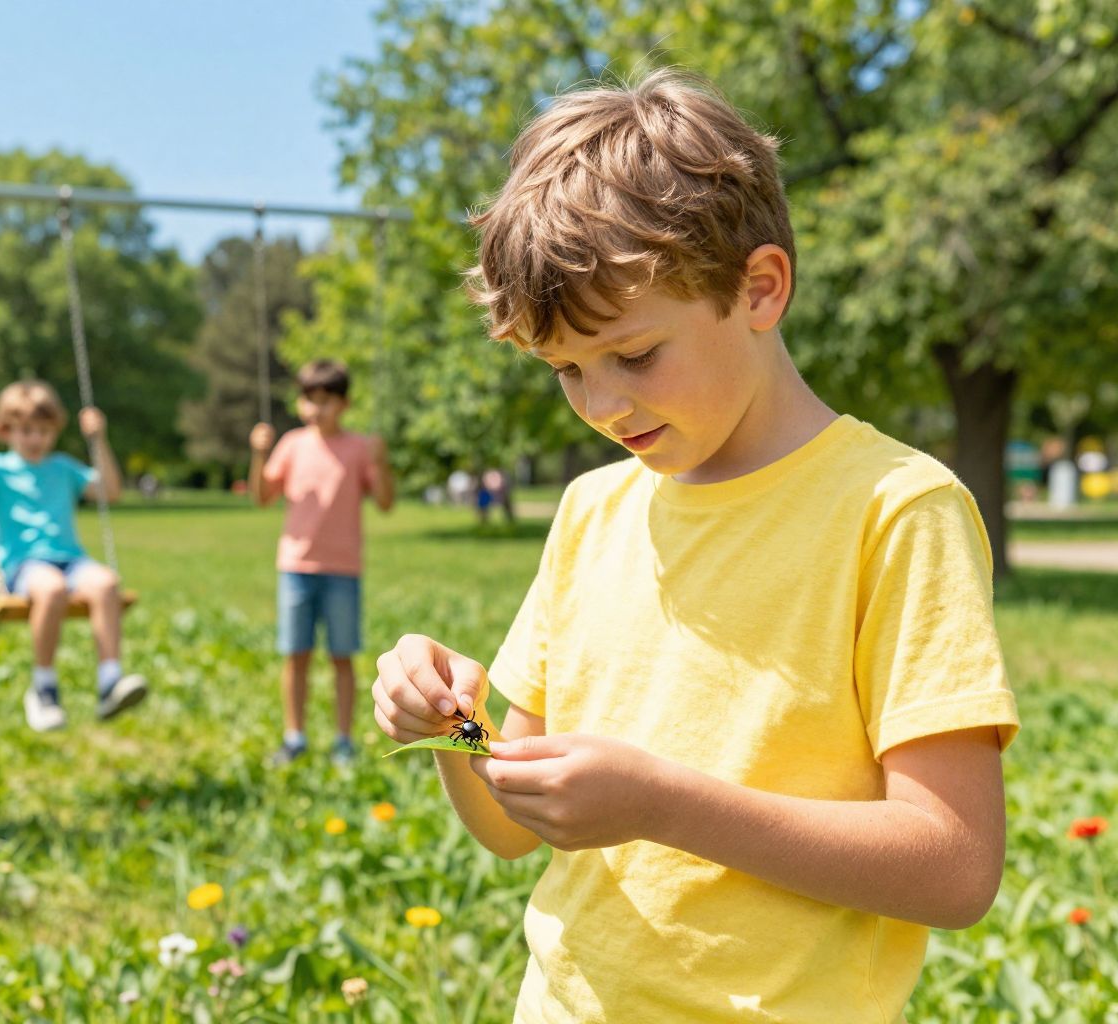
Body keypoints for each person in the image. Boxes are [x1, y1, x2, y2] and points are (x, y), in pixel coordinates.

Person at [372, 70, 1019, 1022]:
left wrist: (667, 806)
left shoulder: (895, 510)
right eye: (566, 371)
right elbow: (516, 827)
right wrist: (453, 730)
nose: (602, 406)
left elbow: (955, 865)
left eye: (634, 355)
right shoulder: (593, 510)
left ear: (759, 288)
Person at [0, 381, 146, 731]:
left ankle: (110, 681)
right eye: (27, 430)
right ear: (5, 430)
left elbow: (110, 491)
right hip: (24, 566)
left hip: (71, 559)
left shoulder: (63, 468)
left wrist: (99, 440)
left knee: (107, 583)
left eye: (45, 431)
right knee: (51, 588)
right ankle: (43, 688)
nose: (36, 440)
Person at [249, 359, 395, 766]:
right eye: (308, 400)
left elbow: (384, 503)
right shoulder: (292, 444)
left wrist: (381, 463)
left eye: (325, 401)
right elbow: (262, 497)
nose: (316, 409)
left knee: (341, 656)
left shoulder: (360, 448)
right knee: (296, 654)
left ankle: (343, 740)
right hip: (296, 567)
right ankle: (294, 737)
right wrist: (259, 454)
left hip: (343, 570)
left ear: (344, 404)